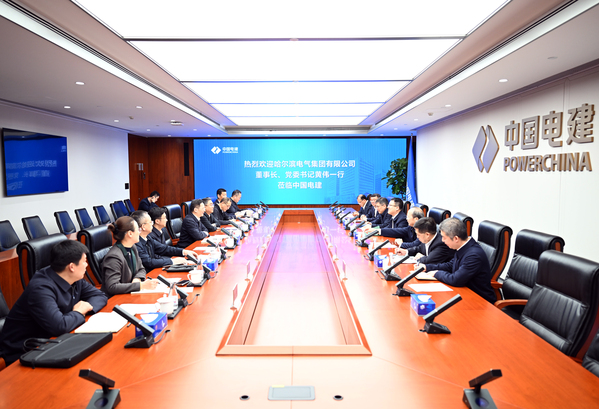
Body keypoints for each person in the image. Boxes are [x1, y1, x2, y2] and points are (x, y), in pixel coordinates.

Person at [0, 240, 108, 366]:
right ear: (72, 267)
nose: (87, 265)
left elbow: (100, 296)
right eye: (84, 261)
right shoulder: (40, 288)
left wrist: (85, 309)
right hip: (26, 351)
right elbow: (59, 326)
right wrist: (79, 312)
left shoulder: (74, 278)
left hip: (55, 341)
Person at [418, 218, 495, 303]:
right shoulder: (463, 247)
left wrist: (437, 273)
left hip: (479, 300)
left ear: (456, 239)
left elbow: (455, 279)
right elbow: (450, 265)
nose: (442, 240)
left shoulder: (474, 255)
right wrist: (427, 267)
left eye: (444, 237)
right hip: (463, 293)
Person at [101, 216, 158, 296]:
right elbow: (112, 287)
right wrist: (140, 285)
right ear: (130, 233)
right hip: (117, 298)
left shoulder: (132, 247)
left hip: (130, 293)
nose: (139, 232)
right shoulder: (114, 257)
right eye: (138, 230)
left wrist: (137, 279)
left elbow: (141, 269)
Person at [131, 211, 198, 271]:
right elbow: (149, 262)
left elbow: (164, 248)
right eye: (150, 222)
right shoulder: (136, 243)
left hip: (155, 270)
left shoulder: (148, 237)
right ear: (143, 226)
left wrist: (184, 252)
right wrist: (172, 261)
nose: (152, 224)